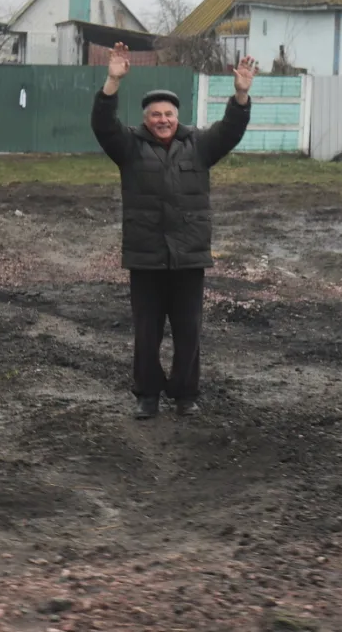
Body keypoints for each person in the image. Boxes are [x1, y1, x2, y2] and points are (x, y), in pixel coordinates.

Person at [91, 42, 256, 419]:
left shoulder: (200, 145)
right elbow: (102, 125)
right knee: (146, 333)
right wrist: (112, 82)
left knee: (188, 331)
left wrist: (241, 95)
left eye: (168, 114)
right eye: (155, 115)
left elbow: (232, 129)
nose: (162, 120)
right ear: (145, 119)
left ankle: (185, 395)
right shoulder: (129, 147)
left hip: (188, 255)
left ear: (177, 117)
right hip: (146, 255)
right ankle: (147, 395)